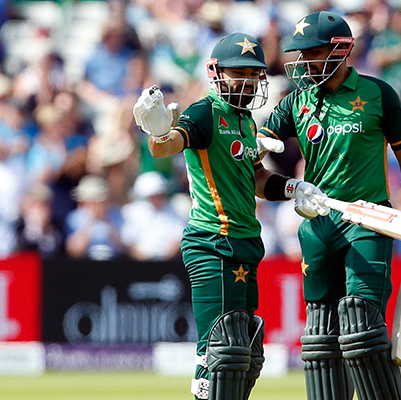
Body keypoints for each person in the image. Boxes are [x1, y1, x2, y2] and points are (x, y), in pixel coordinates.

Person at [258, 11, 401, 400]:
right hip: (317, 223)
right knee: (321, 337)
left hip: (367, 221)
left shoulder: (378, 94)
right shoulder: (296, 102)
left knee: (361, 323)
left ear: (340, 50)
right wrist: (289, 187)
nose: (302, 61)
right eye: (299, 53)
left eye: (311, 52)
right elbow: (255, 156)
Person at [131, 32, 325, 400]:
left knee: (246, 351)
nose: (249, 81)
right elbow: (168, 145)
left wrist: (294, 188)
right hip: (212, 241)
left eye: (254, 74)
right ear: (216, 72)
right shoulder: (205, 112)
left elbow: (255, 177)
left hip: (245, 243)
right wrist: (156, 130)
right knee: (222, 350)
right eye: (240, 73)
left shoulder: (247, 121)